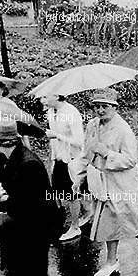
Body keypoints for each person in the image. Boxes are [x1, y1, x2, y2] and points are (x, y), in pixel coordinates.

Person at [0, 121, 80, 276]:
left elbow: (29, 202)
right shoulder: (8, 159)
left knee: (31, 273)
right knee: (23, 271)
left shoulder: (28, 163)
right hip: (22, 223)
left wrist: (3, 198)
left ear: (3, 142)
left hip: (36, 224)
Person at [74, 88, 138, 276]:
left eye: (105, 106)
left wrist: (107, 153)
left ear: (114, 107)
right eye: (97, 106)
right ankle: (123, 253)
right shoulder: (92, 125)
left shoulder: (123, 129)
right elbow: (86, 152)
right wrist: (80, 176)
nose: (100, 110)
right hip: (101, 181)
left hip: (121, 181)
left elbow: (130, 160)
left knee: (122, 218)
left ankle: (125, 252)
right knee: (113, 219)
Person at [40, 94, 89, 241]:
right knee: (62, 192)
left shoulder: (71, 112)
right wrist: (53, 158)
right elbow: (53, 140)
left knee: (71, 194)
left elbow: (80, 142)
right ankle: (88, 212)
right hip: (59, 158)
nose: (43, 100)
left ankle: (75, 227)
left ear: (56, 96)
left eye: (45, 96)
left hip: (72, 159)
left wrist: (57, 135)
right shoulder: (51, 112)